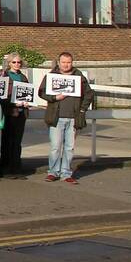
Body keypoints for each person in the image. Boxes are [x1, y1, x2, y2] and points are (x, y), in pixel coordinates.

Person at [39, 51, 94, 184]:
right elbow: (42, 92)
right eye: (63, 62)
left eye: (68, 62)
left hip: (73, 118)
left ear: (72, 62)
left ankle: (66, 173)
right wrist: (55, 97)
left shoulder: (79, 76)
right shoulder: (51, 76)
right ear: (59, 62)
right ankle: (53, 172)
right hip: (56, 117)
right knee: (55, 147)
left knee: (69, 147)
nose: (66, 65)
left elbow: (89, 93)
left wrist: (82, 109)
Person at [0, 53, 31, 175]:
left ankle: (16, 168)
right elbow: (0, 95)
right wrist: (13, 103)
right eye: (14, 62)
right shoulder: (4, 76)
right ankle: (5, 168)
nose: (17, 64)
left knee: (17, 142)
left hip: (21, 113)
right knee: (7, 141)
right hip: (9, 112)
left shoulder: (23, 77)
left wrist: (28, 102)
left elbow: (28, 93)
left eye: (19, 62)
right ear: (9, 63)